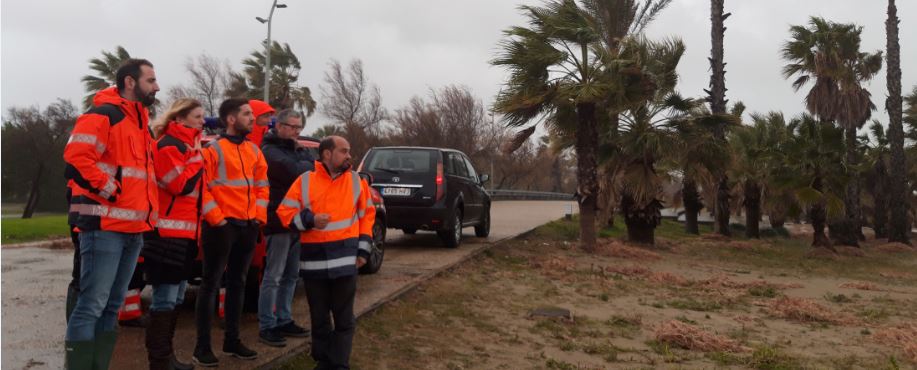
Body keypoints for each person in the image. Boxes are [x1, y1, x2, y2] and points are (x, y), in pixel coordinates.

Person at [63, 58, 160, 369]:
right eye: (150, 80)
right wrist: (111, 190)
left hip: (133, 229)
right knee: (91, 304)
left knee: (112, 306)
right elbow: (77, 159)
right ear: (130, 82)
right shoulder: (104, 114)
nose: (156, 86)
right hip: (104, 225)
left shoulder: (141, 123)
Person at [276, 136, 376, 370]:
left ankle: (338, 364)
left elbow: (367, 216)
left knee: (344, 320)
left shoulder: (355, 181)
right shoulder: (305, 181)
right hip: (314, 263)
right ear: (327, 154)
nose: (349, 155)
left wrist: (363, 250)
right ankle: (323, 361)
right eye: (343, 151)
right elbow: (284, 214)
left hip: (345, 261)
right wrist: (309, 219)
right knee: (319, 319)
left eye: (349, 150)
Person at [193, 98, 269, 366]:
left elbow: (262, 186)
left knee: (238, 283)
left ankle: (232, 340)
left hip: (247, 226)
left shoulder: (254, 151)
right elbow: (204, 189)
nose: (253, 118)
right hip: (221, 227)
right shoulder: (212, 151)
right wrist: (218, 220)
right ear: (230, 119)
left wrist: (258, 218)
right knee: (210, 284)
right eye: (247, 114)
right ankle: (202, 347)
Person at [143, 98, 207, 370]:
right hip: (165, 235)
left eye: (203, 116)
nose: (202, 121)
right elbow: (178, 185)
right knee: (165, 298)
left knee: (177, 297)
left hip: (185, 235)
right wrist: (197, 158)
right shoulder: (169, 145)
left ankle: (167, 358)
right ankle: (159, 361)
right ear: (179, 120)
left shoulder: (188, 147)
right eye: (197, 116)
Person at [257, 109, 313, 347]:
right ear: (278, 126)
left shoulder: (297, 149)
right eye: (292, 127)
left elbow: (309, 169)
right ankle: (267, 325)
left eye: (299, 128)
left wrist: (304, 161)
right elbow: (297, 172)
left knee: (291, 275)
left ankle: (284, 318)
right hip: (277, 220)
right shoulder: (268, 151)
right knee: (274, 276)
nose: (296, 132)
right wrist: (304, 162)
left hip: (296, 220)